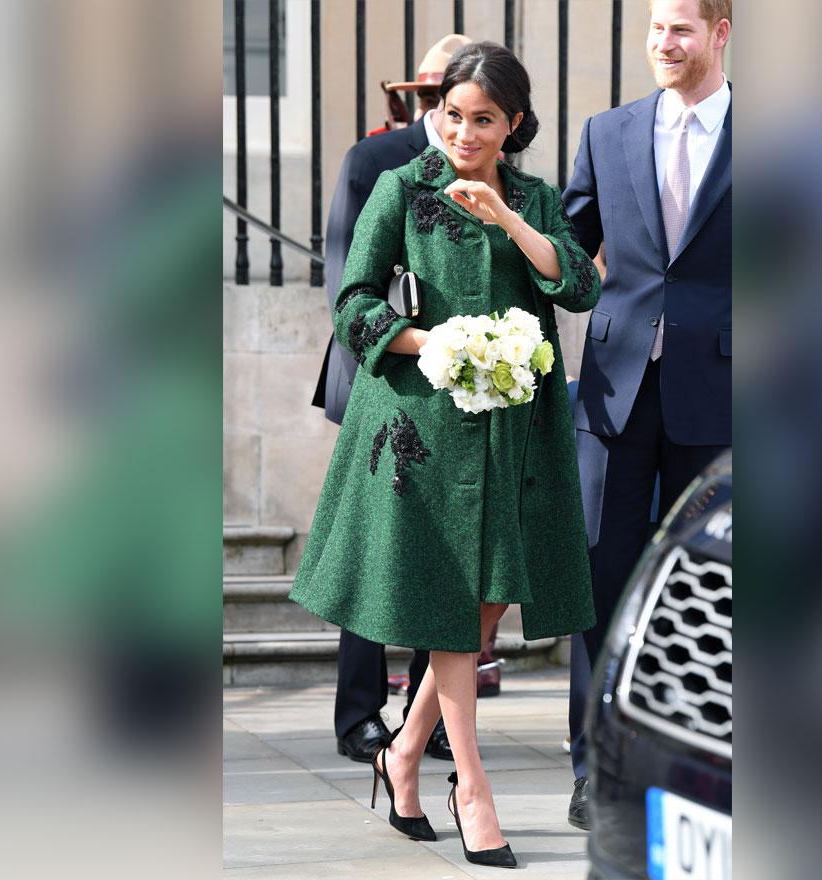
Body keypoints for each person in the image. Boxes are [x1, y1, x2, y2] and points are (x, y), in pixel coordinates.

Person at [290, 41, 600, 868]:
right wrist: (436, 343)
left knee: (484, 610)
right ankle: (471, 784)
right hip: (423, 429)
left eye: (484, 120)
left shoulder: (532, 196)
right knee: (457, 613)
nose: (464, 133)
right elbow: (354, 305)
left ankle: (400, 755)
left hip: (517, 434)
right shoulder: (402, 187)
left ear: (514, 125)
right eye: (453, 116)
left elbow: (577, 285)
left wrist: (506, 218)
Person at [561, 0, 732, 829]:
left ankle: (689, 773)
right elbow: (566, 249)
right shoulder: (607, 131)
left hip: (725, 394)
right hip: (613, 392)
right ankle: (597, 770)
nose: (664, 43)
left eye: (681, 29)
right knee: (602, 576)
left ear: (720, 33)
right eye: (655, 28)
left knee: (704, 586)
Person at [310, 33, 471, 766]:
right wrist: (406, 351)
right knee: (377, 549)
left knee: (443, 555)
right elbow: (347, 277)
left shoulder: (491, 166)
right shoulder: (374, 159)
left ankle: (425, 717)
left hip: (464, 395)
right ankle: (358, 714)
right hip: (382, 380)